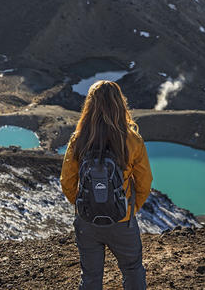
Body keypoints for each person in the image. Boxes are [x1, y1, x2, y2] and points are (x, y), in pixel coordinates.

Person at [60, 80, 153, 290]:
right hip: (122, 220)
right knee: (132, 270)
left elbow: (67, 181)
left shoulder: (79, 139)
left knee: (91, 277)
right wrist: (130, 209)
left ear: (90, 105)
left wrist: (84, 205)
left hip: (87, 222)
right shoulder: (132, 139)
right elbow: (145, 182)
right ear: (120, 104)